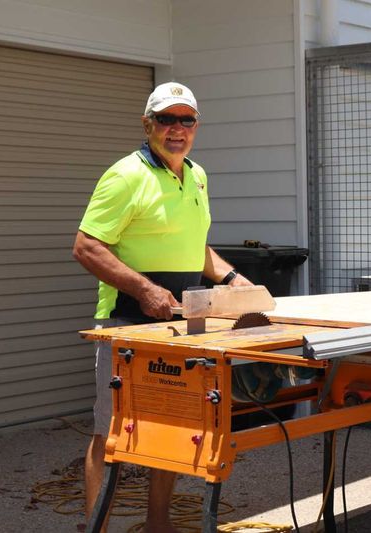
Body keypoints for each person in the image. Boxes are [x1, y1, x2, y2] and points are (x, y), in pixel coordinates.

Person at [73, 81, 253, 531]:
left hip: (182, 323)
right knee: (111, 432)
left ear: (196, 126)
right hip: (126, 322)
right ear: (147, 124)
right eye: (167, 119)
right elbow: (87, 247)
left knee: (169, 428)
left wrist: (233, 278)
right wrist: (144, 290)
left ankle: (159, 524)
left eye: (185, 119)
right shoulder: (125, 175)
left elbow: (196, 247)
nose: (177, 129)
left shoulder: (197, 175)